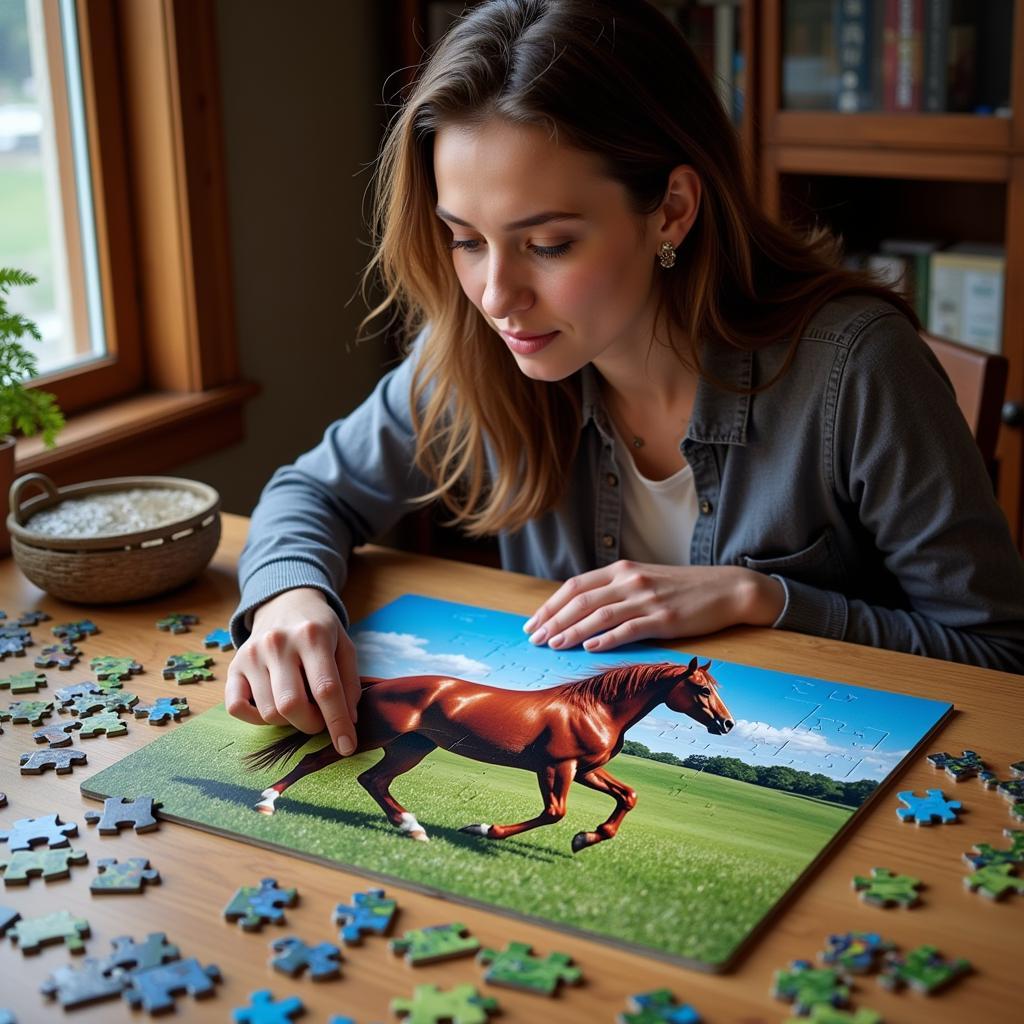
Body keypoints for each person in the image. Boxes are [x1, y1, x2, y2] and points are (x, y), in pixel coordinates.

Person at [226, 0, 1024, 757]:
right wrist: (291, 602)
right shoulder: (473, 350)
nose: (495, 297)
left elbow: (1001, 655)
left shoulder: (859, 368)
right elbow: (313, 493)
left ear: (672, 208)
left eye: (548, 244)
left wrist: (763, 600)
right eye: (466, 240)